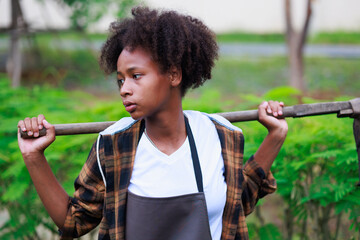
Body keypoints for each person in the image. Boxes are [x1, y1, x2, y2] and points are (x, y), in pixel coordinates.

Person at [17, 6, 288, 240]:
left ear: (173, 74)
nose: (124, 88)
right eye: (121, 79)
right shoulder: (113, 145)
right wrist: (33, 157)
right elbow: (72, 222)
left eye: (136, 75)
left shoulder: (219, 135)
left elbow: (236, 203)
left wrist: (274, 137)